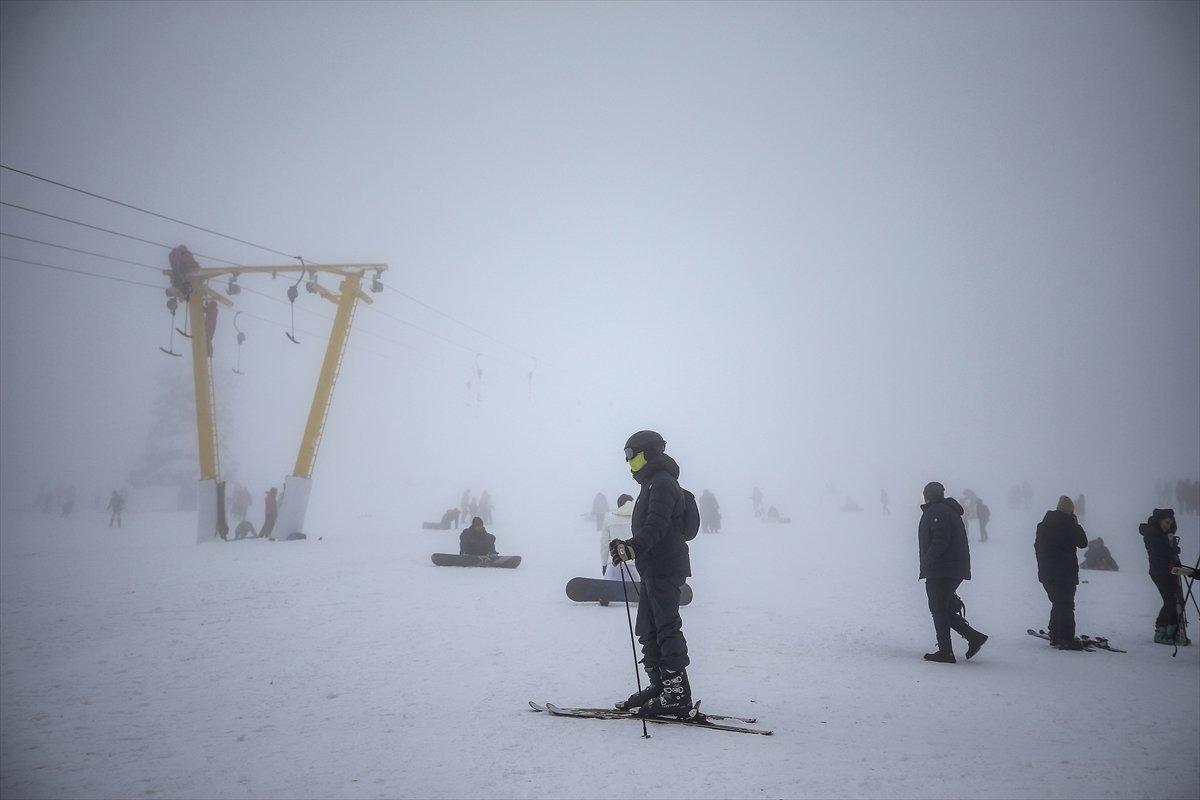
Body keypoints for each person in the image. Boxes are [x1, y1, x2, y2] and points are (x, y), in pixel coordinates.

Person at [609, 430, 693, 718]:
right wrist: (626, 547)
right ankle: (660, 686)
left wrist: (633, 546)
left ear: (648, 453)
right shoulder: (651, 484)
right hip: (653, 567)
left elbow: (656, 525)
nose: (628, 461)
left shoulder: (663, 483)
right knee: (648, 627)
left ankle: (677, 693)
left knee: (666, 627)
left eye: (631, 454)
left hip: (665, 566)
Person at [917, 481, 987, 663]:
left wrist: (927, 560)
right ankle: (972, 637)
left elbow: (940, 540)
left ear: (927, 495)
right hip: (950, 567)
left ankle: (946, 652)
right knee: (942, 608)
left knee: (938, 609)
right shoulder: (946, 510)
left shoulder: (937, 511)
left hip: (942, 569)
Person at [1034, 496, 1089, 649]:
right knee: (1065, 604)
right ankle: (1065, 638)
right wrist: (1076, 524)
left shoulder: (1043, 526)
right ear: (1070, 511)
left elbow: (1037, 547)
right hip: (1065, 572)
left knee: (1058, 602)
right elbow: (1083, 543)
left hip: (1046, 572)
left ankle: (1055, 634)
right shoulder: (1069, 525)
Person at [1140, 508, 1188, 645]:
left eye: (1170, 523)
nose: (1168, 525)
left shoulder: (1163, 535)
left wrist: (1172, 548)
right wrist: (1172, 548)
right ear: (1159, 521)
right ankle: (1162, 631)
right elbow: (1160, 553)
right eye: (1166, 522)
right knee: (1170, 601)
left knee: (1175, 600)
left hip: (1170, 570)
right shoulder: (1152, 535)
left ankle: (1170, 631)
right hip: (1159, 572)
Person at [601, 494, 639, 598]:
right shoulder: (639, 518)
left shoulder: (609, 520)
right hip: (634, 563)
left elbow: (604, 544)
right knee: (637, 587)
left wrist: (604, 564)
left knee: (608, 584)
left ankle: (606, 594)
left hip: (613, 563)